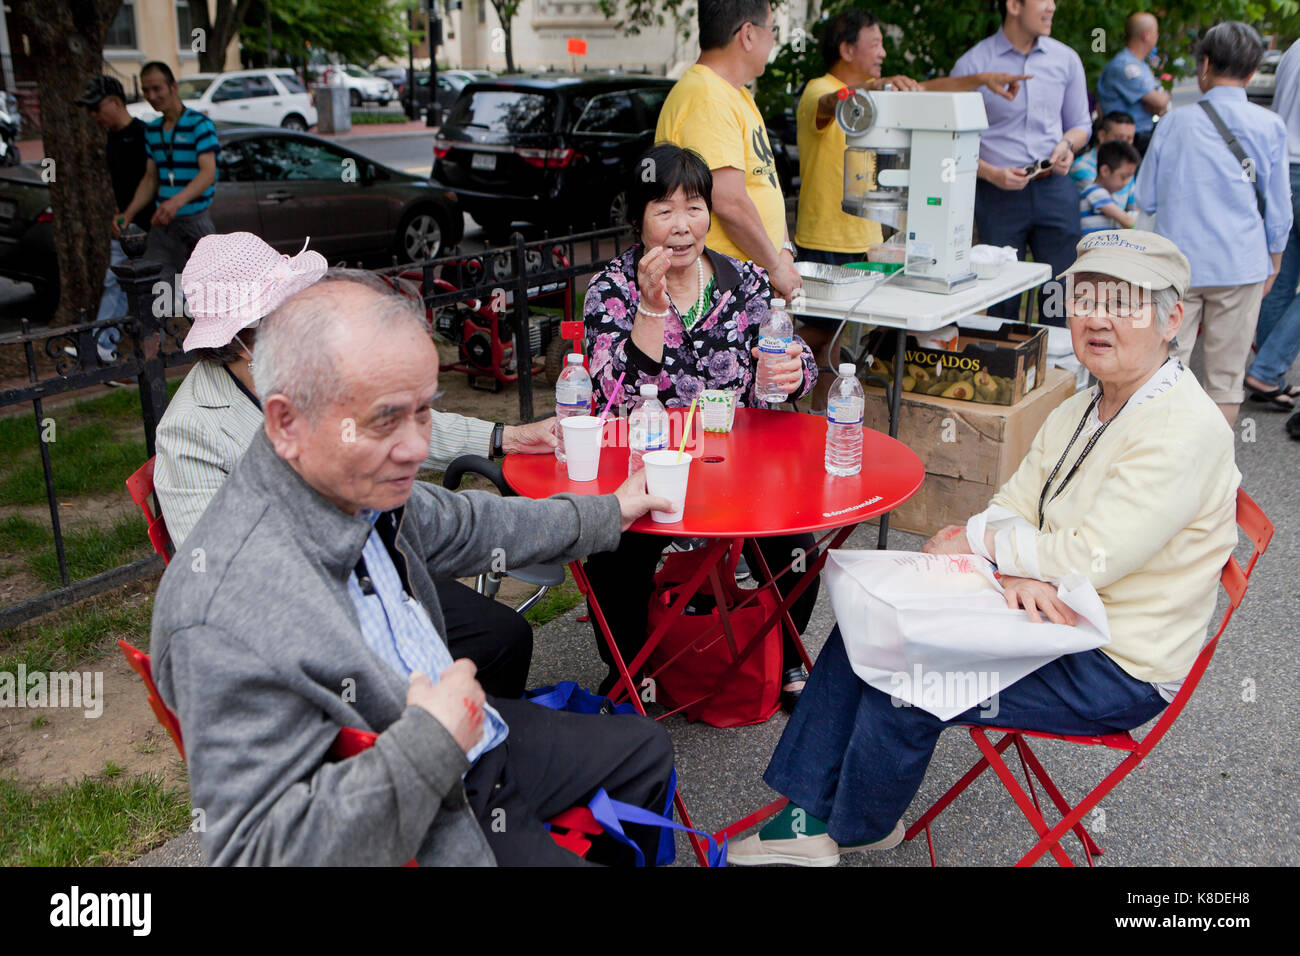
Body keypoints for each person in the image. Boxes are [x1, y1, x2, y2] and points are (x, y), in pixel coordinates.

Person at [728, 230, 1240, 865]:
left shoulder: (1180, 429)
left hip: (1115, 661)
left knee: (909, 674)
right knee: (872, 616)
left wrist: (993, 550)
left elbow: (1087, 558)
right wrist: (1013, 567)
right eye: (1086, 299)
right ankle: (817, 811)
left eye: (1125, 302)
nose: (1098, 318)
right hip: (1055, 614)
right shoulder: (1088, 403)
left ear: (1172, 320)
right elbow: (1014, 503)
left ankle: (852, 822)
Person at [150, 277, 677, 866]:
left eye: (422, 411)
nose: (414, 448)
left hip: (471, 744)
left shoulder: (358, 485)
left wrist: (610, 512)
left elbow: (477, 526)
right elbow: (258, 852)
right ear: (286, 422)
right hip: (426, 808)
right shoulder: (223, 606)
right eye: (384, 420)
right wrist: (428, 745)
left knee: (645, 750)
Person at [155, 232, 559, 698]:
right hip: (303, 617)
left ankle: (484, 754)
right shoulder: (191, 431)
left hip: (370, 564)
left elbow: (396, 421)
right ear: (239, 338)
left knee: (505, 636)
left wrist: (503, 437)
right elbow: (221, 578)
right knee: (473, 648)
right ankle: (437, 751)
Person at [582, 143, 818, 708]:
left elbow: (799, 361)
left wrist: (790, 370)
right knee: (613, 552)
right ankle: (630, 666)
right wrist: (650, 306)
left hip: (737, 465)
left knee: (798, 543)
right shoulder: (610, 290)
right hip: (647, 466)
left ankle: (781, 652)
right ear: (639, 220)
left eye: (694, 207)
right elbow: (609, 395)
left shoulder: (747, 285)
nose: (682, 226)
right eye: (664, 210)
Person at [795, 9, 1027, 410]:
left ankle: (836, 414)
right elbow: (831, 104)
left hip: (868, 241)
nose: (883, 53)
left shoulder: (877, 95)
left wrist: (981, 81)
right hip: (825, 240)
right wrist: (872, 86)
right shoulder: (821, 89)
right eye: (875, 44)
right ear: (847, 49)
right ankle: (806, 411)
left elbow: (928, 87)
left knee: (858, 336)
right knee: (821, 336)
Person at [1133, 21, 1291, 426]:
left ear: (1204, 64)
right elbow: (1279, 208)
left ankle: (1163, 466)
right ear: (1252, 71)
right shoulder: (1271, 126)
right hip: (1241, 266)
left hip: (1177, 268)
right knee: (1224, 381)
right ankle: (1214, 473)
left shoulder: (1174, 123)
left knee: (1166, 372)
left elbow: (1146, 197)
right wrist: (1273, 262)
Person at [952, 0, 1092, 326]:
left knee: (1061, 290)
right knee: (1000, 296)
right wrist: (991, 173)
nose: (1053, 7)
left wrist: (1066, 145)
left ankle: (1058, 368)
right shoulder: (973, 65)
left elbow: (1081, 125)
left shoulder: (1066, 59)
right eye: (1044, 0)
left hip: (1054, 187)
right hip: (996, 193)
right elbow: (953, 142)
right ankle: (1001, 370)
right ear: (1014, 5)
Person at [655, 0, 802, 304]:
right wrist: (775, 266)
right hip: (721, 293)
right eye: (771, 29)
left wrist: (784, 252)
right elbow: (728, 201)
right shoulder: (708, 97)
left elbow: (764, 183)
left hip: (748, 280)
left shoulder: (736, 93)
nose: (773, 39)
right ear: (748, 34)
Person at [75, 75, 153, 364]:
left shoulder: (144, 134)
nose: (94, 116)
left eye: (97, 109)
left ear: (117, 102)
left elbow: (151, 180)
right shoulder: (112, 138)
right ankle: (102, 344)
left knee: (172, 286)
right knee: (115, 282)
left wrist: (129, 214)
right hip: (126, 225)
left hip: (149, 225)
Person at [120, 61, 217, 289]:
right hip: (163, 224)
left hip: (195, 222)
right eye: (145, 90)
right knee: (160, 290)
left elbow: (208, 173)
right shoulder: (152, 130)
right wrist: (128, 214)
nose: (151, 96)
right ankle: (172, 322)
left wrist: (176, 202)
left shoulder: (199, 124)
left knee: (204, 292)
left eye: (156, 88)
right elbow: (150, 178)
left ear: (173, 87)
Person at [1245, 38, 1300, 416]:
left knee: (1281, 279)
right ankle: (1267, 370)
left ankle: (1269, 372)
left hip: (1287, 169)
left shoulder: (1294, 48)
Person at [1096, 12, 1171, 155]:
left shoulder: (1140, 64)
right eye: (1156, 32)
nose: (1158, 36)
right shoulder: (1125, 66)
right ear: (1146, 35)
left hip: (1140, 136)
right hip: (1126, 141)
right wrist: (1163, 97)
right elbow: (1159, 101)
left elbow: (1157, 107)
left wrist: (1156, 103)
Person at [1078, 140, 1141, 234]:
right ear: (1105, 171)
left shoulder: (1107, 196)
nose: (1127, 182)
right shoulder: (1095, 192)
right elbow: (1126, 220)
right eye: (1123, 177)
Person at [1068, 110, 1137, 189]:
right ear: (1102, 136)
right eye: (1119, 138)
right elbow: (1099, 198)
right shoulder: (1082, 167)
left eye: (1129, 139)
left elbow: (1132, 201)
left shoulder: (1127, 166)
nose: (1125, 144)